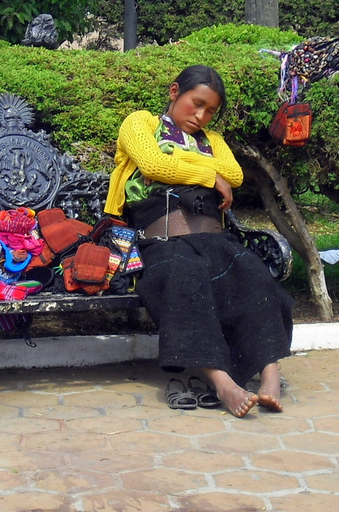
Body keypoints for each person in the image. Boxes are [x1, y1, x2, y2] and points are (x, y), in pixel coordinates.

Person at [104, 65, 294, 418]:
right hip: (160, 242)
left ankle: (270, 375)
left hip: (212, 238)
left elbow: (234, 175)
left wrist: (182, 160)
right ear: (175, 91)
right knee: (183, 276)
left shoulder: (214, 139)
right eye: (197, 103)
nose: (201, 116)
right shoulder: (141, 123)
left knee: (252, 273)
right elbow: (151, 164)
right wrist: (208, 172)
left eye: (210, 110)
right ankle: (223, 383)